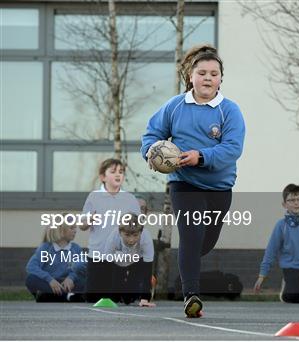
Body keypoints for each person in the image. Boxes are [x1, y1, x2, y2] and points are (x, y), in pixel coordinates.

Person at [141, 44, 245, 318]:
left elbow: (233, 149)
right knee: (190, 234)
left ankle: (188, 267)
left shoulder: (229, 111)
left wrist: (201, 156)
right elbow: (151, 135)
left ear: (221, 79)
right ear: (191, 76)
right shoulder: (174, 106)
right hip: (184, 184)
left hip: (219, 188)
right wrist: (150, 153)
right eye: (202, 73)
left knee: (204, 243)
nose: (208, 78)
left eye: (214, 73)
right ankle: (191, 295)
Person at [80, 158, 141, 303]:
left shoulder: (130, 199)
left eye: (121, 172)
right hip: (97, 254)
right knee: (92, 298)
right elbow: (82, 225)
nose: (118, 175)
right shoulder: (93, 197)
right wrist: (88, 220)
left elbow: (138, 227)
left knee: (113, 298)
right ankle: (73, 296)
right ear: (103, 177)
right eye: (113, 172)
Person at [26, 222, 86, 302]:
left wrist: (71, 278)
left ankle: (48, 297)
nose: (75, 231)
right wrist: (50, 279)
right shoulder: (46, 247)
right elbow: (31, 267)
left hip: (67, 284)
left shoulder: (76, 248)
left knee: (85, 279)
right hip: (49, 284)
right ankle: (67, 296)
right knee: (31, 279)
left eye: (75, 228)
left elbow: (81, 268)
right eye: (72, 228)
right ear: (60, 231)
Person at [104, 213, 155, 307]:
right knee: (114, 297)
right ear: (120, 232)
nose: (131, 240)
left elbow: (147, 269)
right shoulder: (113, 238)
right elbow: (107, 266)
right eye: (127, 235)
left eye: (135, 235)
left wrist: (145, 298)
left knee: (129, 298)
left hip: (137, 260)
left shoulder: (146, 238)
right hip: (118, 261)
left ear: (141, 232)